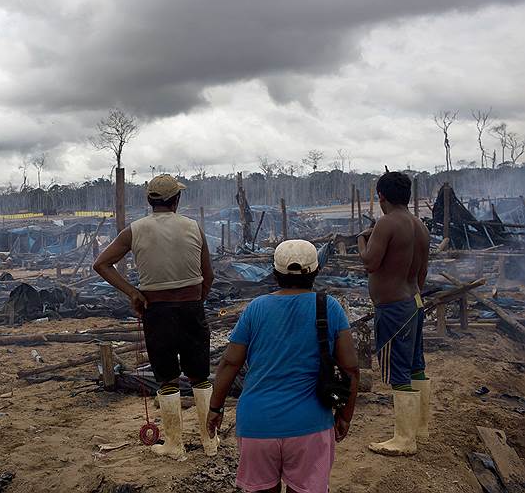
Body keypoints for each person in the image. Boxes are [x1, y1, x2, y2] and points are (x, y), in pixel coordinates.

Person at [207, 240, 359, 493]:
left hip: (257, 424)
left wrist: (215, 407)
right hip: (310, 425)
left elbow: (230, 363)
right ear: (316, 271)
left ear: (275, 273)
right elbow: (351, 369)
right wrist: (345, 415)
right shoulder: (329, 307)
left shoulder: (256, 308)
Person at [93, 174, 216, 459]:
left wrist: (133, 292)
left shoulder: (134, 231)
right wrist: (196, 301)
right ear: (177, 200)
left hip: (156, 312)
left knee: (167, 379)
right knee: (200, 377)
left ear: (150, 201)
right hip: (191, 309)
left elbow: (101, 264)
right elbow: (208, 275)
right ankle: (210, 442)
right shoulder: (194, 228)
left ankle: (175, 445)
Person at [358, 171, 430, 456]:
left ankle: (404, 439)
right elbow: (422, 272)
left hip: (394, 309)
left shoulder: (387, 223)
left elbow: (370, 263)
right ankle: (420, 427)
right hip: (414, 302)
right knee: (415, 364)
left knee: (398, 370)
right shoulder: (419, 226)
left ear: (381, 197)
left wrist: (361, 241)